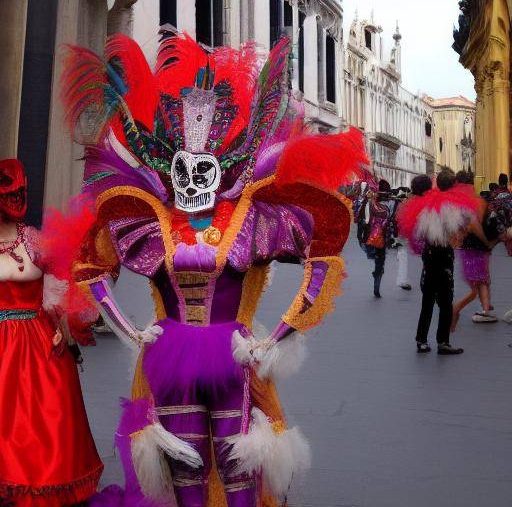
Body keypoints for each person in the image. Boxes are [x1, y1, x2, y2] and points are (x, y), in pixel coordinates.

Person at [61, 33, 368, 507]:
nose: (191, 182)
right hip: (172, 358)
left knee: (238, 461)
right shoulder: (148, 222)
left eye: (202, 170)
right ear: (169, 168)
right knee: (184, 462)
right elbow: (91, 269)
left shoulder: (250, 219)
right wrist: (129, 332)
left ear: (221, 167)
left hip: (233, 357)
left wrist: (275, 338)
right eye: (182, 171)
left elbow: (321, 259)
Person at [0, 159, 103, 506]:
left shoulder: (34, 241)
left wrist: (64, 325)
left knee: (44, 427)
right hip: (3, 347)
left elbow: (65, 282)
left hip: (39, 343)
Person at [398, 170, 479, 355]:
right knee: (445, 301)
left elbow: (417, 233)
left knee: (428, 301)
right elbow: (459, 229)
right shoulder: (448, 205)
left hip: (430, 256)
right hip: (443, 256)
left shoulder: (419, 206)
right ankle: (442, 342)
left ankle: (422, 340)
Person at [452, 171, 497, 328]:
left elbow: (472, 225)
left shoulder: (463, 203)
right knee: (481, 278)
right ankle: (486, 308)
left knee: (474, 284)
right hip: (479, 246)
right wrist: (487, 242)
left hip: (470, 246)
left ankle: (456, 309)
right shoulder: (481, 201)